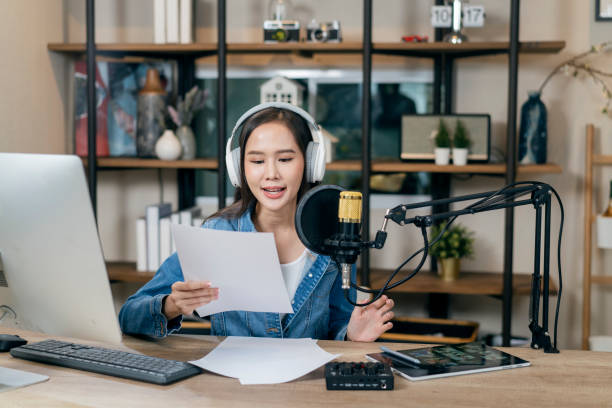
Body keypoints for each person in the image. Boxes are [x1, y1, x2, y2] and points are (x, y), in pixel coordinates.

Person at [119, 102, 395, 341]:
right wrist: (171, 305)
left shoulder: (333, 236)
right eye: (257, 161)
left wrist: (350, 334)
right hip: (234, 393)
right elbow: (129, 316)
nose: (271, 174)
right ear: (239, 168)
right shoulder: (217, 234)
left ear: (311, 163)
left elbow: (336, 323)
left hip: (306, 392)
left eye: (285, 159)